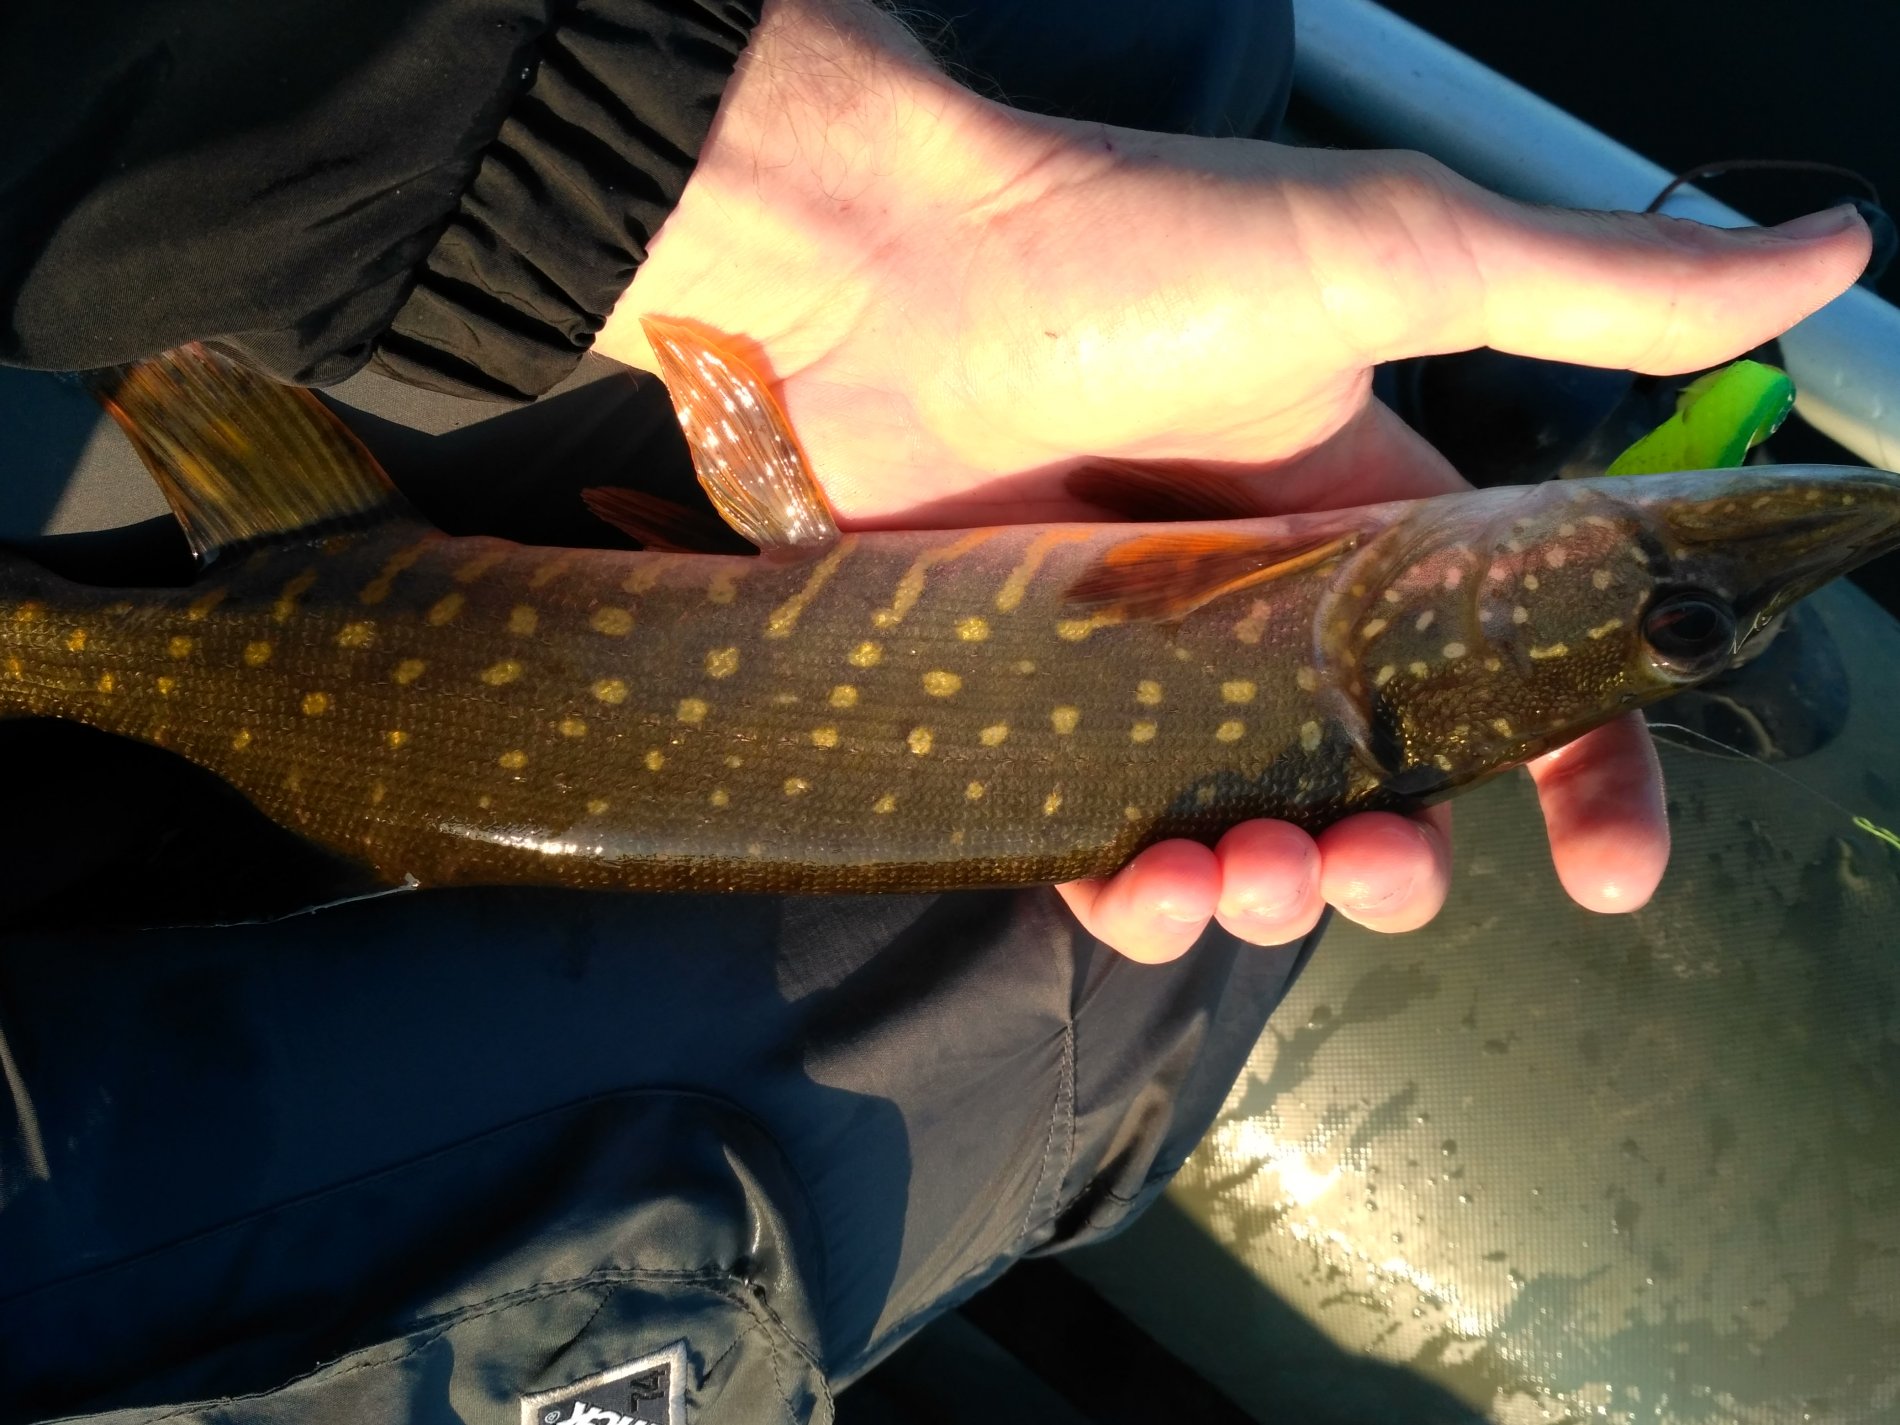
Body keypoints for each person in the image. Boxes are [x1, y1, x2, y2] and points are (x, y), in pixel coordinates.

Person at [0, 1, 1872, 1421]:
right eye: (1681, 620)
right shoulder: (1330, 653)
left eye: (1676, 622)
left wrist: (821, 234)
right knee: (1149, 972)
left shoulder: (1337, 641)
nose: (1673, 584)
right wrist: (833, 236)